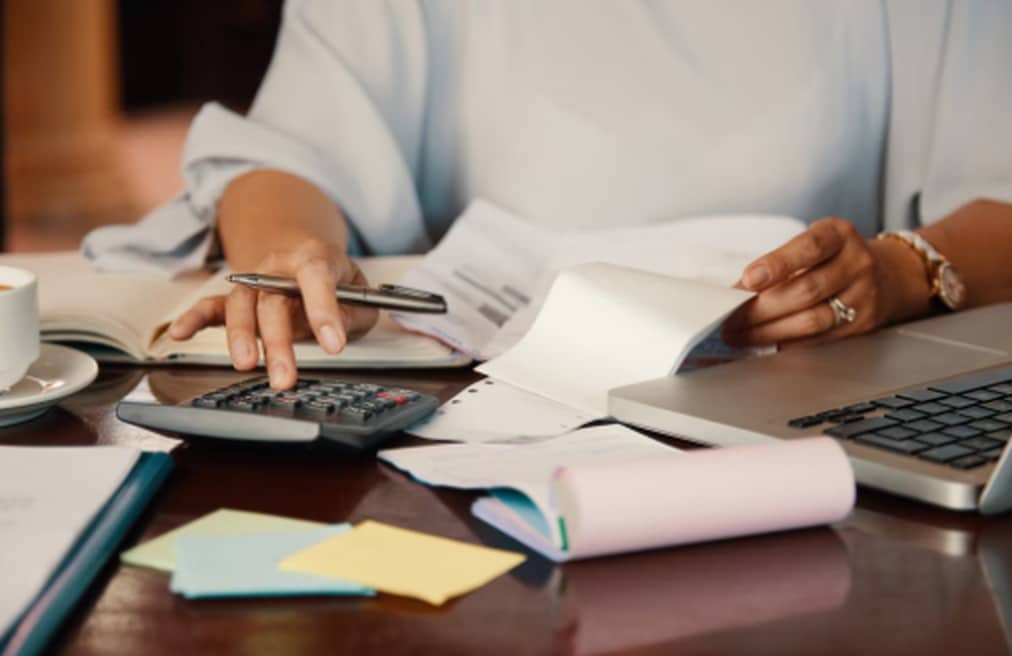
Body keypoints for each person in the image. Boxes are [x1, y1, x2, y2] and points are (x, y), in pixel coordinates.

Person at [84, 0, 1012, 390]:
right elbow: (290, 155)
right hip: (485, 411)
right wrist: (293, 251)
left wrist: (897, 272)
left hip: (802, 407)